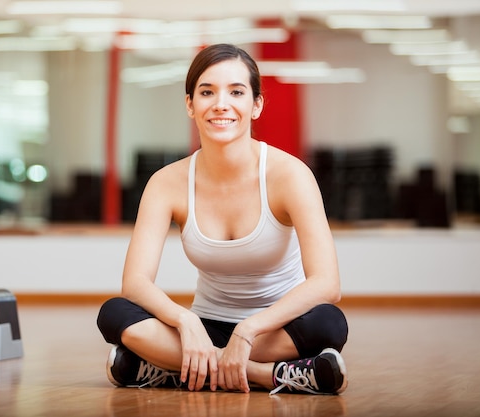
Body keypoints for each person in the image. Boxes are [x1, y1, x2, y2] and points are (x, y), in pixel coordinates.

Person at [97, 43, 348, 395]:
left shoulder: (290, 175)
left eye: (236, 92)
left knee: (328, 323)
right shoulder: (166, 183)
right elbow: (135, 283)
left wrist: (248, 330)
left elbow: (327, 283)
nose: (221, 104)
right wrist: (185, 321)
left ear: (256, 105)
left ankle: (179, 369)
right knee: (114, 314)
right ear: (190, 104)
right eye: (206, 92)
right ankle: (268, 375)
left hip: (272, 329)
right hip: (204, 327)